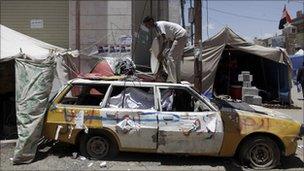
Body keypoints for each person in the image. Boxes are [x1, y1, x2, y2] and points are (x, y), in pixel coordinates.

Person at [143, 16, 188, 83]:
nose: (147, 27)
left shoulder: (159, 26)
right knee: (176, 59)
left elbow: (165, 41)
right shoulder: (157, 29)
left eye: (147, 25)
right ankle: (178, 80)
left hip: (179, 35)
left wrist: (160, 53)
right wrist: (157, 50)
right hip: (178, 36)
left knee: (170, 57)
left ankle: (172, 80)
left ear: (151, 22)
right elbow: (162, 40)